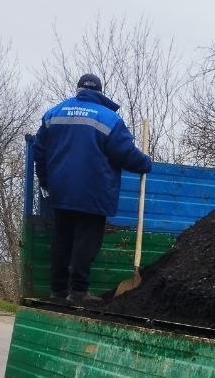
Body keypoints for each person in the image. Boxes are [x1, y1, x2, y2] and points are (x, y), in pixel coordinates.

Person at [33, 73, 153, 303]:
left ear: (78, 89)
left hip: (61, 190)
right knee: (86, 241)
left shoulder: (53, 114)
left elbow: (40, 151)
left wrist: (46, 181)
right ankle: (78, 291)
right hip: (93, 193)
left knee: (61, 239)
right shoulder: (109, 119)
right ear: (99, 92)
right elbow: (125, 153)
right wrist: (145, 164)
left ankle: (57, 291)